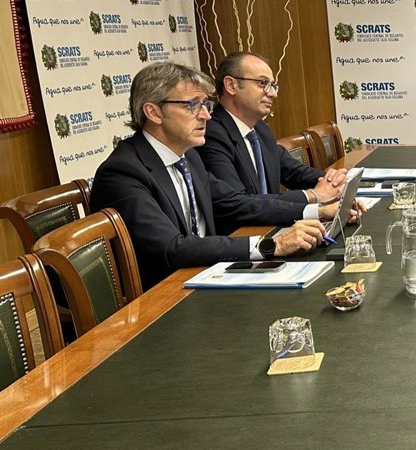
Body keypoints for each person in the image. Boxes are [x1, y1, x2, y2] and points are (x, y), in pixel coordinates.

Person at [91, 62, 337, 289]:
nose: (206, 115)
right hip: (165, 296)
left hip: (207, 275)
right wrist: (272, 245)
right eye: (192, 105)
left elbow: (237, 203)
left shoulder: (188, 157)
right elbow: (172, 248)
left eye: (205, 105)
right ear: (153, 112)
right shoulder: (123, 172)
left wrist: (318, 211)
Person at [198, 51, 346, 208]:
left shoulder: (259, 129)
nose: (273, 94)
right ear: (231, 85)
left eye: (273, 86)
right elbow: (238, 203)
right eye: (262, 83)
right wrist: (312, 195)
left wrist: (332, 179)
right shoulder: (211, 134)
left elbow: (292, 171)